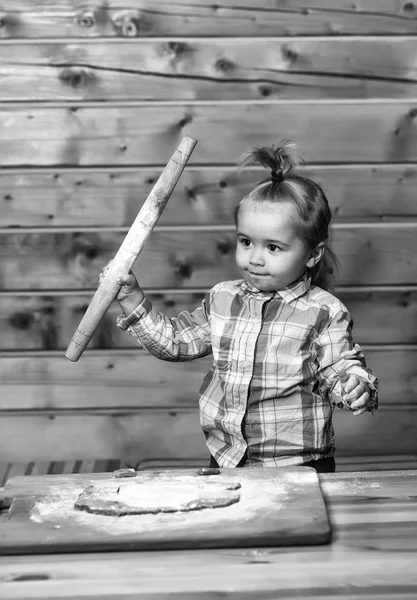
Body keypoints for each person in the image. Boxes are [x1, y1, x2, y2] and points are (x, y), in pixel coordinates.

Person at [104, 140, 378, 473]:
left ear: (312, 254)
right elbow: (176, 343)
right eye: (245, 241)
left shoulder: (323, 311)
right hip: (228, 459)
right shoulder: (222, 298)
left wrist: (354, 386)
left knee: (297, 527)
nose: (254, 258)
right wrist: (132, 299)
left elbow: (338, 369)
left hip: (297, 465)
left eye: (273, 247)